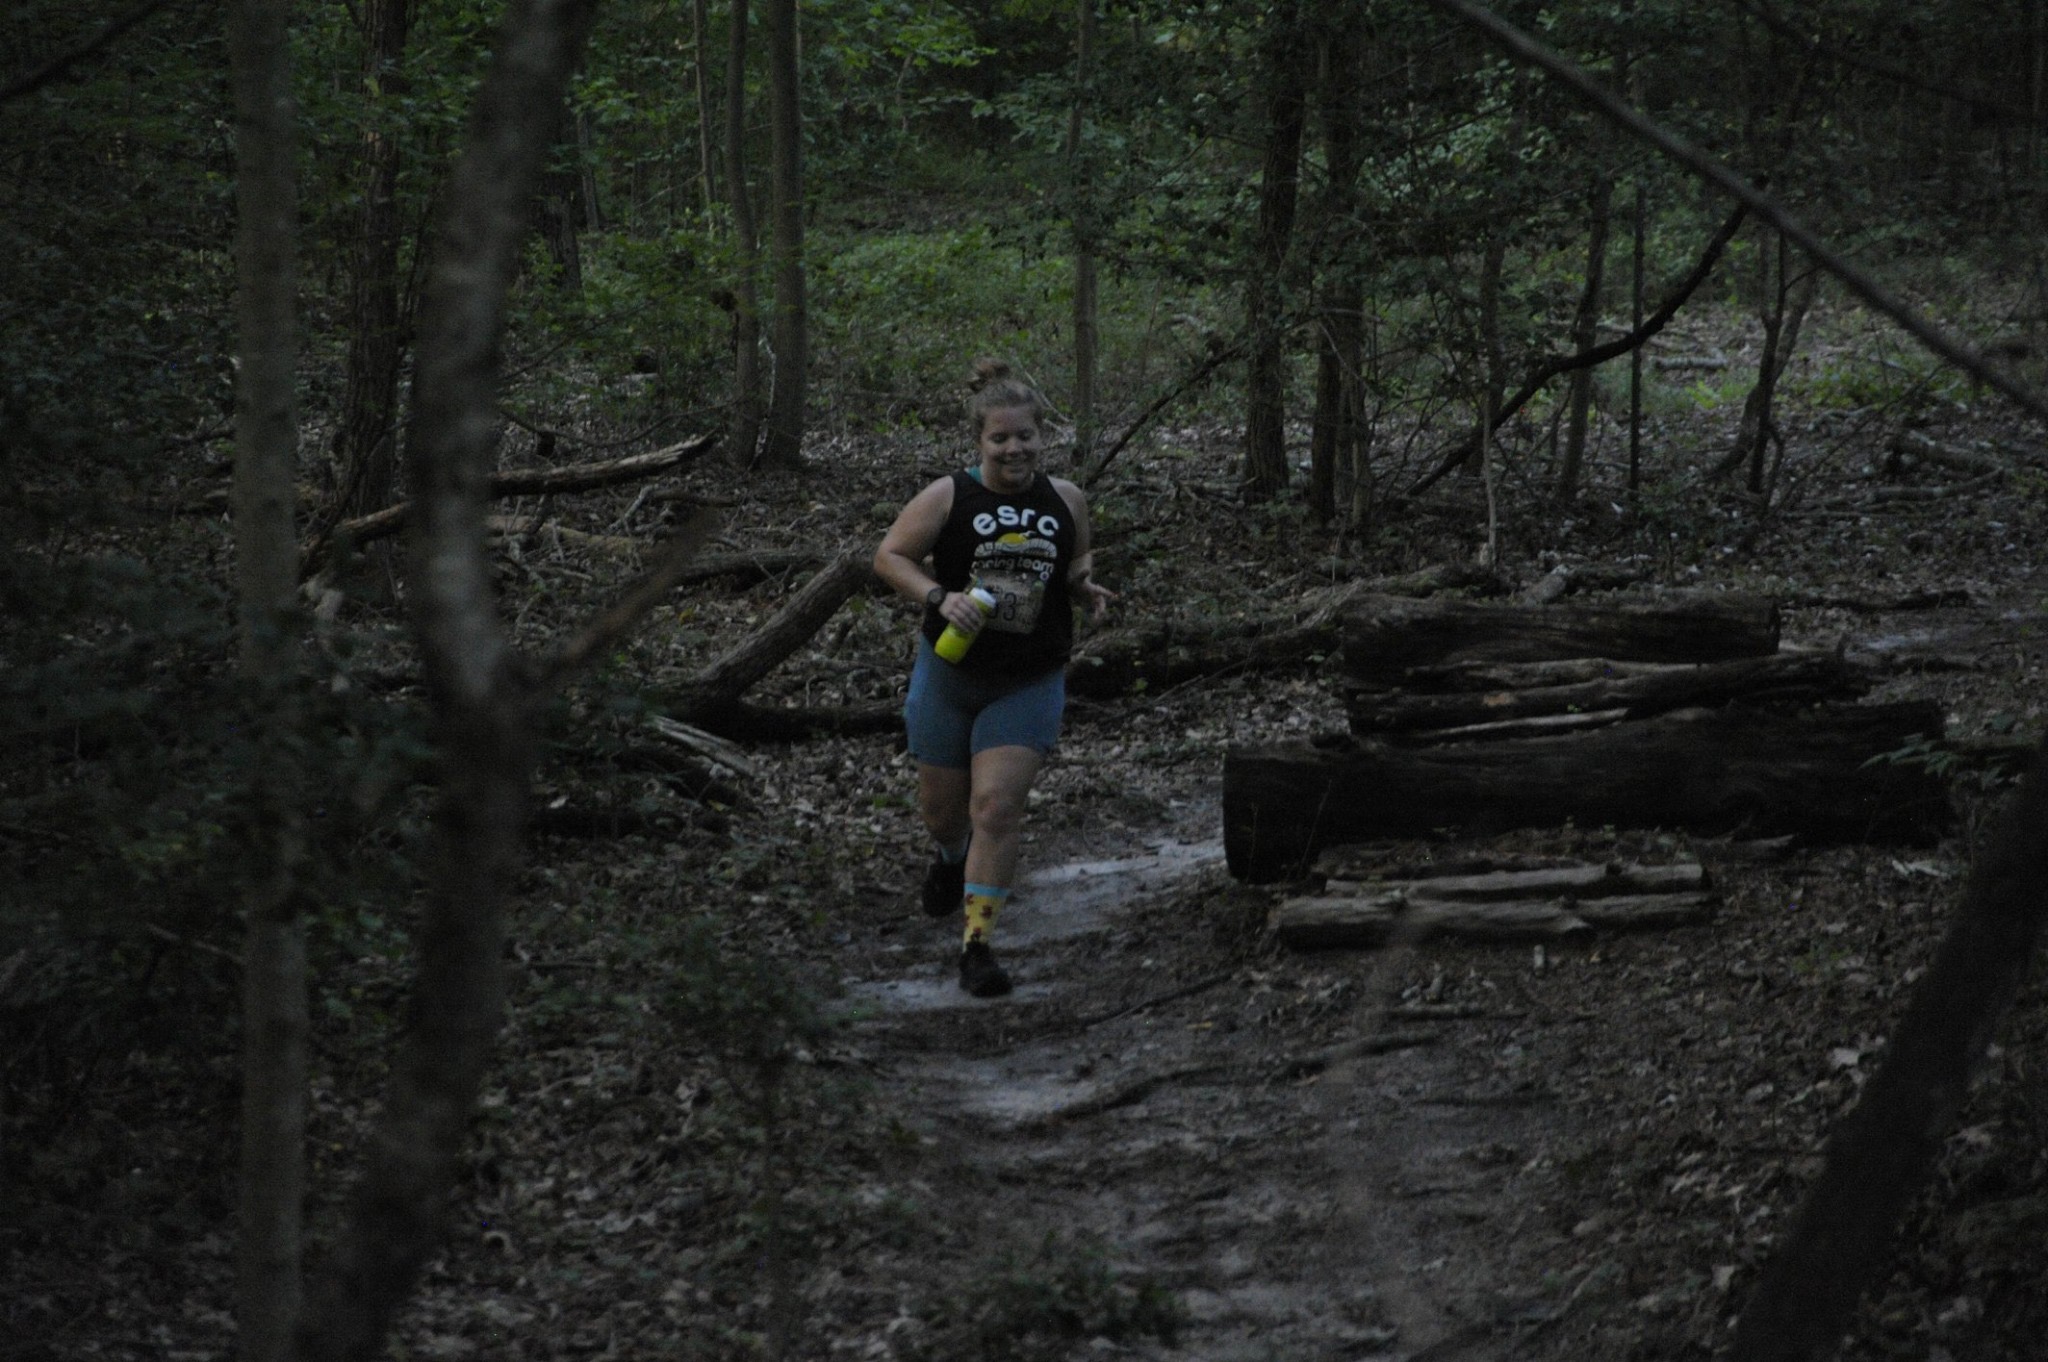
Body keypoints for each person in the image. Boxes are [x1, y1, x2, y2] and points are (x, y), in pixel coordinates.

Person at [873, 360, 1114, 997]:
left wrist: (1083, 585)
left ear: (1042, 436)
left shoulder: (1065, 499)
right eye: (999, 438)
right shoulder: (949, 496)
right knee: (943, 813)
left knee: (996, 807)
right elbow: (889, 556)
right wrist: (935, 596)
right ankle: (951, 861)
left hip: (1029, 678)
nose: (1014, 448)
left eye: (1025, 436)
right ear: (979, 442)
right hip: (950, 672)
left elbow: (1076, 556)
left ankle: (977, 944)